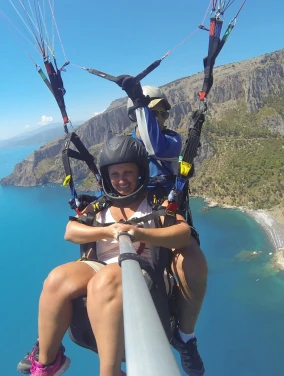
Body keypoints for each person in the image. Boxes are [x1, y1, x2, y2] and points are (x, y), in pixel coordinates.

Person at [23, 135, 191, 376]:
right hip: (101, 265)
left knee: (107, 279)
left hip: (144, 270)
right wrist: (108, 231)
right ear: (106, 176)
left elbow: (182, 234)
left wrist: (139, 233)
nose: (121, 180)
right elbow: (70, 231)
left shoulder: (154, 204)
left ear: (140, 172)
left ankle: (110, 373)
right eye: (115, 174)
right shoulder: (100, 205)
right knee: (55, 279)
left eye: (128, 173)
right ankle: (47, 363)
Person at [119, 76, 208, 376]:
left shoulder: (171, 141)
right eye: (157, 112)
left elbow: (152, 142)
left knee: (190, 261)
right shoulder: (126, 149)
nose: (162, 118)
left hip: (165, 210)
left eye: (162, 113)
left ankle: (185, 336)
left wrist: (138, 101)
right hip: (135, 212)